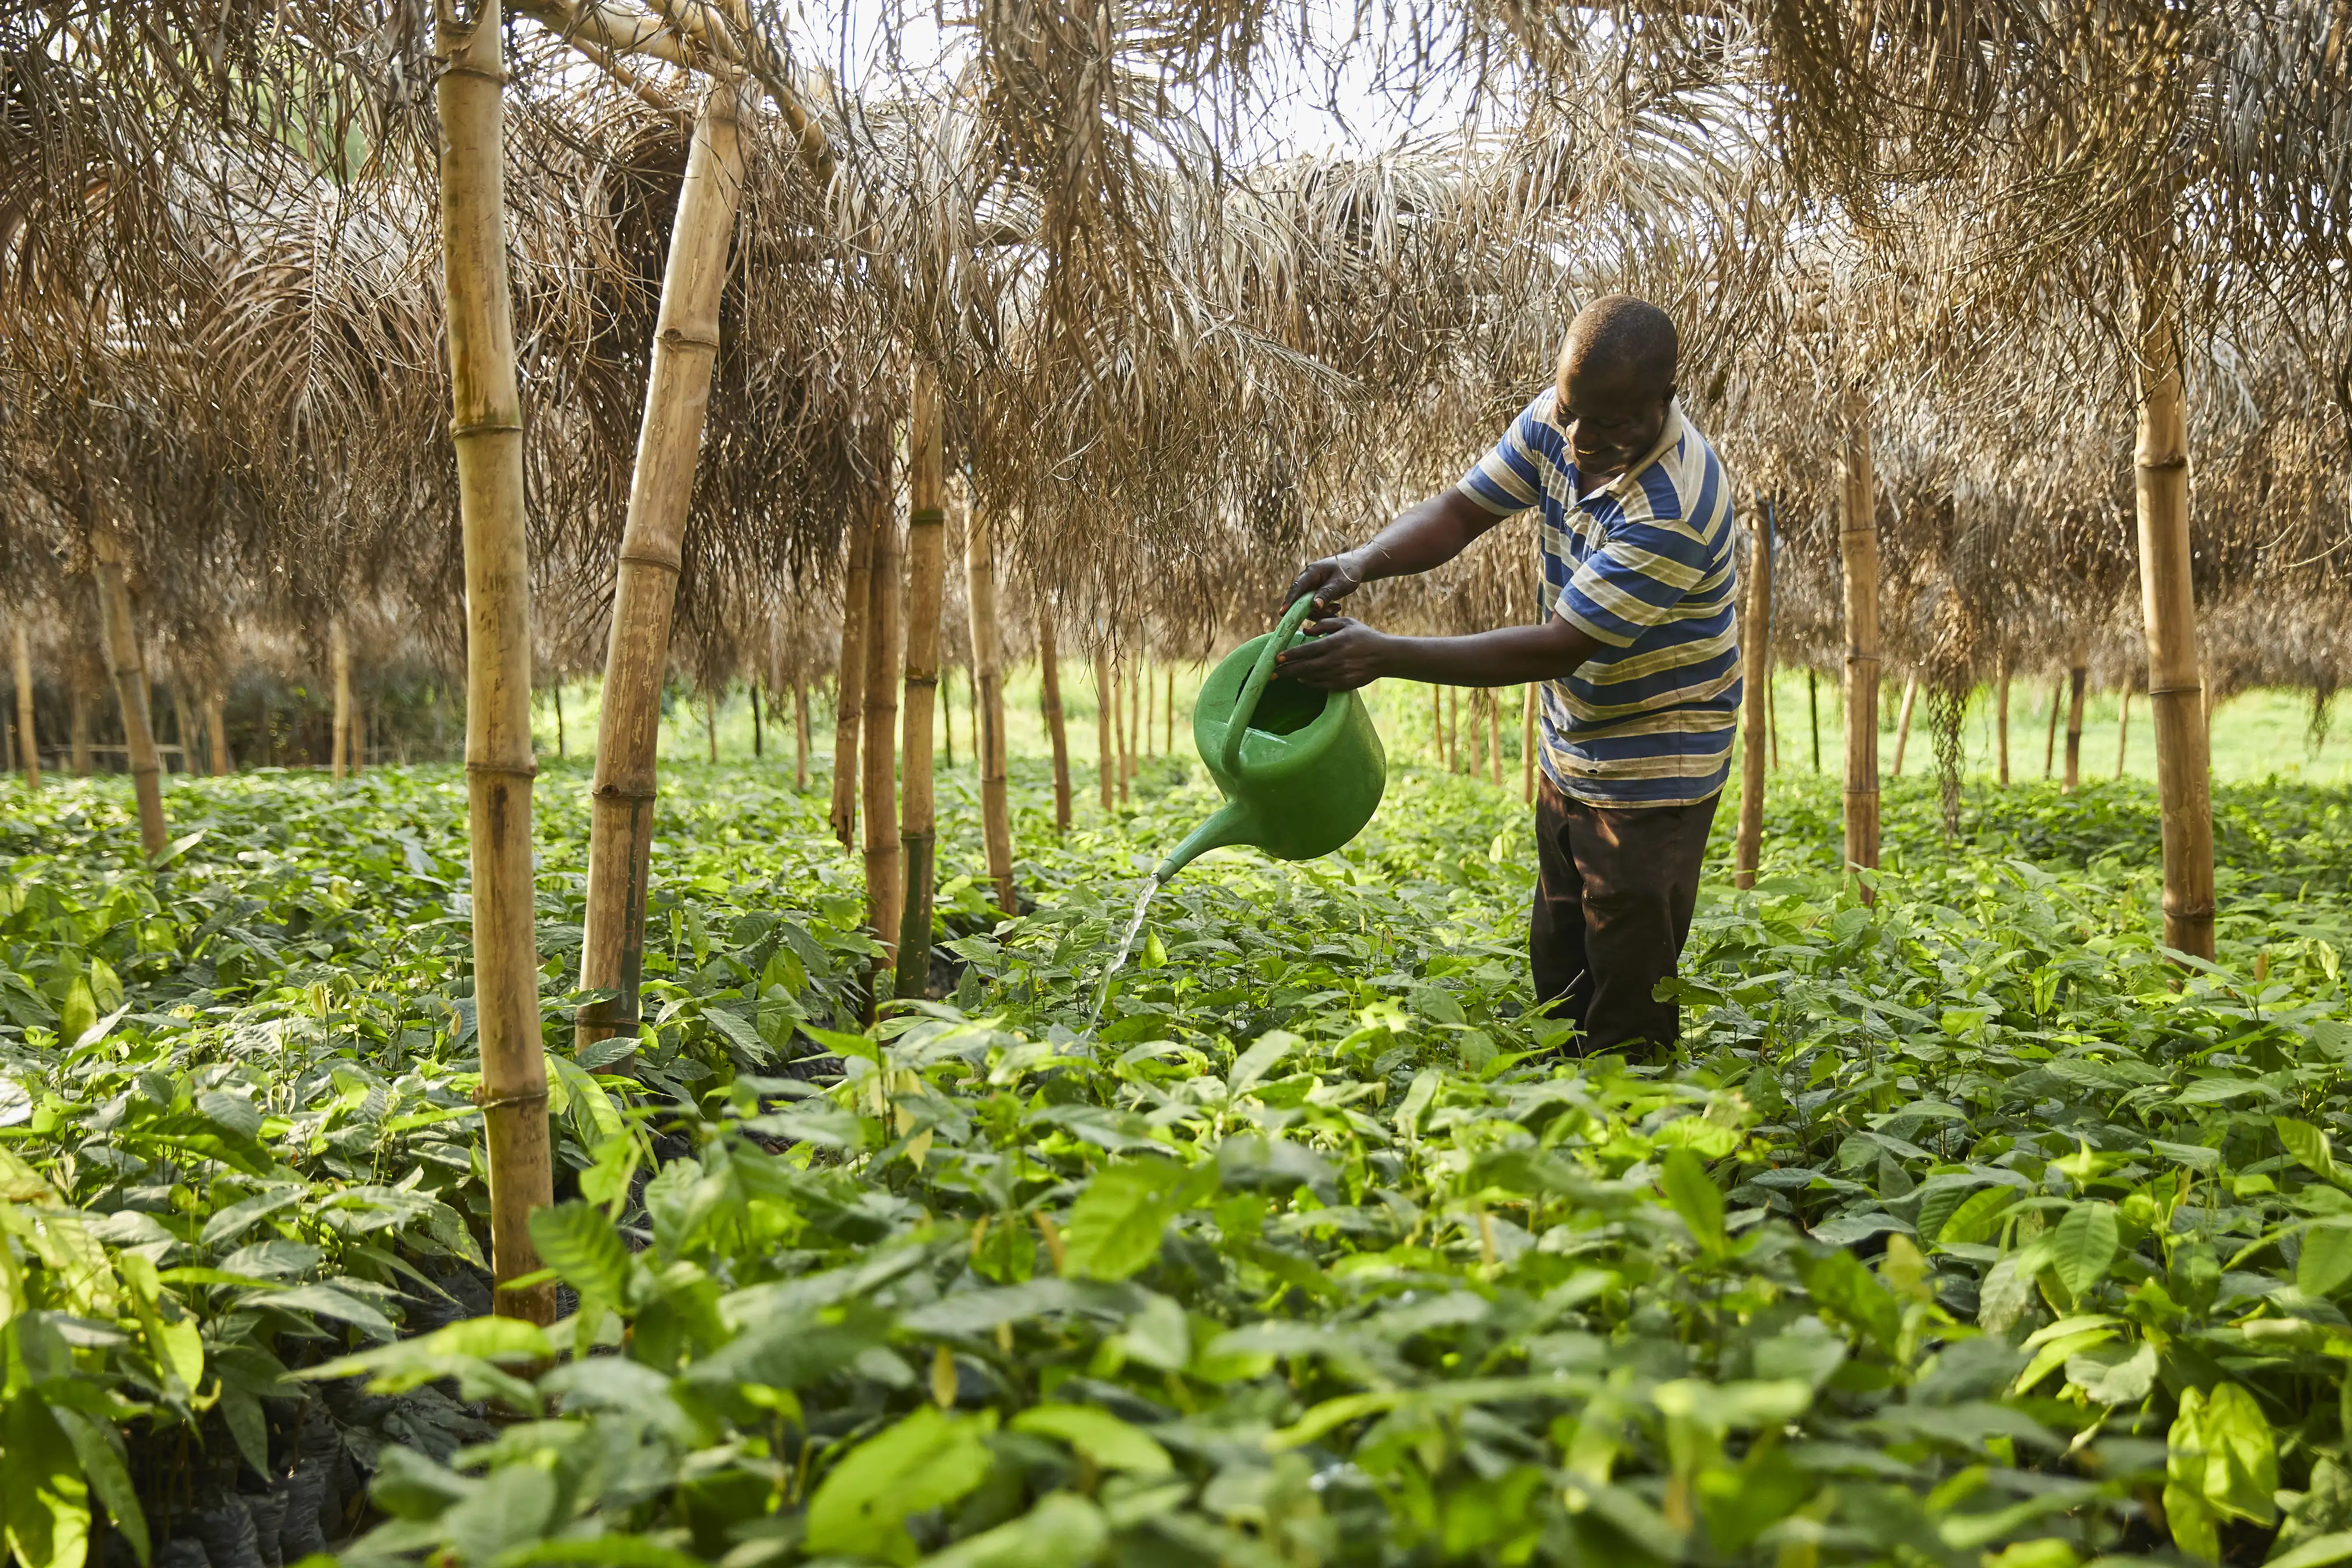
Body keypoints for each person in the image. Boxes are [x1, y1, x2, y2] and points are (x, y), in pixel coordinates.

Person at [1275, 294, 1740, 1057]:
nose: (1583, 441)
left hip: (1655, 771)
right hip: (1574, 747)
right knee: (1559, 968)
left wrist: (1383, 654)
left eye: (1613, 424)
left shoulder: (1673, 507)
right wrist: (1361, 562)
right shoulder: (1566, 419)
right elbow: (1461, 512)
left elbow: (1559, 647)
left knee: (1626, 988)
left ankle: (1636, 1145)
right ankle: (1560, 1123)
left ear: (1665, 401)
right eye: (1571, 413)